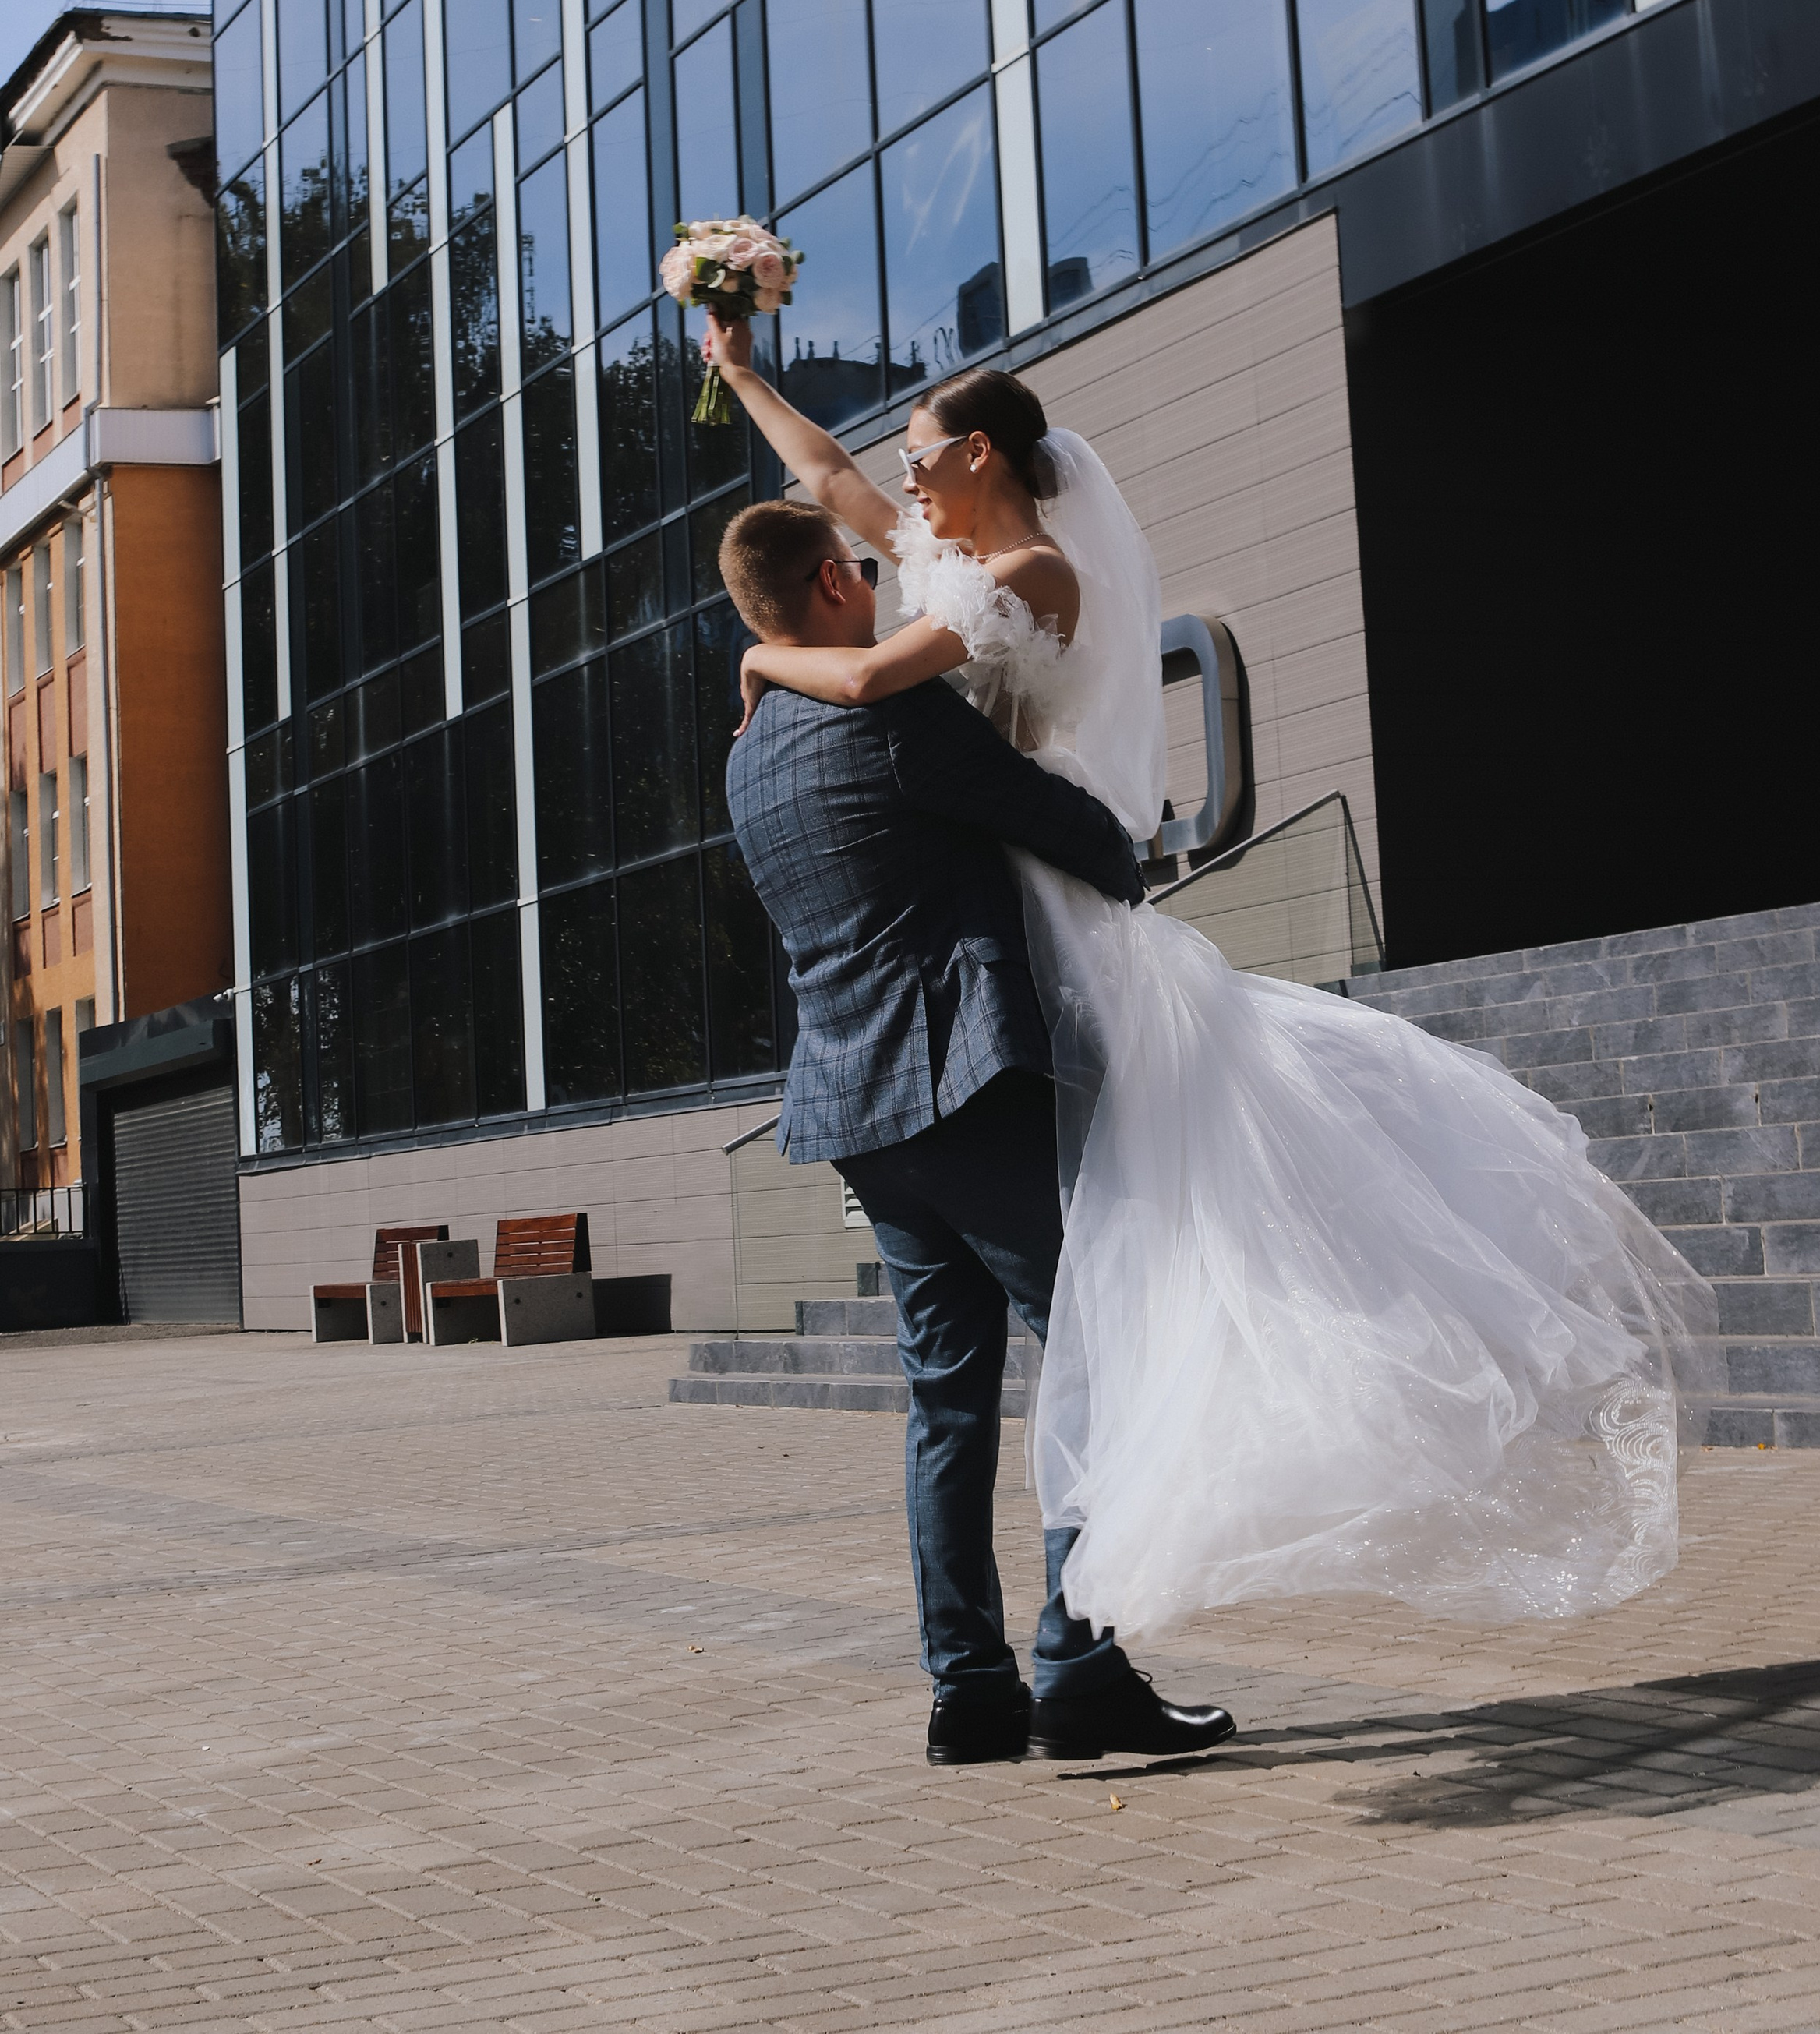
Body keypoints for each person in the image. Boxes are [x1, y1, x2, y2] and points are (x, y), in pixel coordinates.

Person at [708, 321, 1723, 1642]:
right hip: (995, 946)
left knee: (1068, 1325)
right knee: (1098, 1323)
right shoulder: (954, 564)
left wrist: (752, 655)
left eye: (917, 458)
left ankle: (1017, 1667)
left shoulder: (1021, 574)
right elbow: (830, 481)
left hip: (1030, 922)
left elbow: (857, 666)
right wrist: (740, 374)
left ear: (974, 452)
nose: (894, 488)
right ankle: (1067, 1662)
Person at [717, 494, 1237, 1768]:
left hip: (853, 1105)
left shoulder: (747, 751)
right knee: (1093, 1351)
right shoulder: (890, 711)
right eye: (858, 566)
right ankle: (1079, 1664)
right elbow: (1061, 829)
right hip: (963, 1080)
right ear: (834, 587)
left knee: (945, 1404)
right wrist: (1128, 852)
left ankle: (970, 1692)